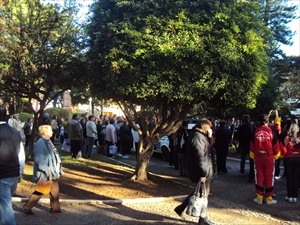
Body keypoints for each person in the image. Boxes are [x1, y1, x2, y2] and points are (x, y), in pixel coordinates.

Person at [174, 118, 215, 225]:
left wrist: (209, 137)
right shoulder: (197, 137)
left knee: (199, 192)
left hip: (204, 168)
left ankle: (181, 208)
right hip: (201, 170)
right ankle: (203, 218)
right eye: (209, 128)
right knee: (203, 194)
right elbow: (200, 156)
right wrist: (203, 173)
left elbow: (209, 149)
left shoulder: (201, 136)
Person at [23, 125, 64, 215]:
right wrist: (45, 169)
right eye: (50, 130)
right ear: (45, 132)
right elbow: (39, 158)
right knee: (40, 191)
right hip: (46, 172)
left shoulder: (48, 141)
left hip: (52, 171)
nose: (52, 132)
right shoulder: (41, 143)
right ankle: (27, 206)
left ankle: (55, 208)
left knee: (55, 191)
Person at [0, 105, 24, 225]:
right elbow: (21, 154)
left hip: (2, 175)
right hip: (13, 174)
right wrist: (20, 172)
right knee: (3, 207)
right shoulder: (14, 131)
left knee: (5, 208)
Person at [250, 114, 280, 205]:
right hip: (269, 157)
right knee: (269, 177)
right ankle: (269, 198)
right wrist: (277, 155)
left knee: (259, 176)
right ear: (268, 121)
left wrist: (252, 155)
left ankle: (259, 197)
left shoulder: (255, 131)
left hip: (258, 157)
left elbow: (252, 144)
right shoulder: (271, 131)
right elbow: (275, 144)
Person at [279, 121, 300, 203]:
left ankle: (289, 195)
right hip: (298, 158)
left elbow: (283, 149)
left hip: (289, 159)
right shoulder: (299, 137)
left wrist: (284, 156)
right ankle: (295, 196)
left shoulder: (287, 137)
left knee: (290, 178)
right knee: (297, 178)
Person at [236, 114, 255, 182]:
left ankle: (242, 171)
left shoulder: (241, 126)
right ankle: (251, 171)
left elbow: (238, 135)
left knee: (243, 158)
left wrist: (240, 141)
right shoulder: (252, 125)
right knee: (251, 159)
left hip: (243, 143)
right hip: (250, 143)